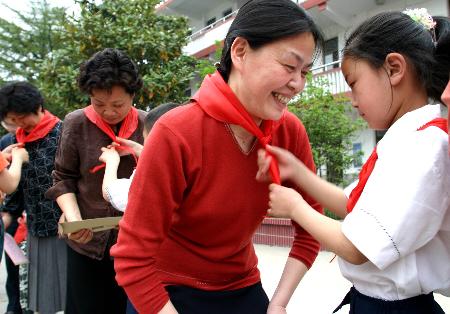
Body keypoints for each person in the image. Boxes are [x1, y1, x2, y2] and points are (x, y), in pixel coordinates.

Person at [111, 1, 324, 313]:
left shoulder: (289, 131)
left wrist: (278, 304)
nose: (298, 84)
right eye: (289, 67)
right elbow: (132, 258)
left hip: (241, 287)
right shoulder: (177, 132)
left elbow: (312, 228)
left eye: (304, 72)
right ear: (239, 52)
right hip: (167, 290)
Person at [256, 10, 450, 314]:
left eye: (354, 82)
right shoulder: (407, 139)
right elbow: (352, 202)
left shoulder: (424, 147)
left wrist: (295, 206)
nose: (353, 99)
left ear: (394, 69)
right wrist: (297, 170)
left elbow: (357, 248)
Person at [46, 48, 146, 314]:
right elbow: (63, 176)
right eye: (98, 104)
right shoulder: (75, 122)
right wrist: (72, 217)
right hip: (86, 245)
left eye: (118, 105)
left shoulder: (148, 125)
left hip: (135, 246)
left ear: (133, 96)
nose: (108, 112)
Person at [99, 102, 179, 314]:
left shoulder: (153, 175)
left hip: (157, 275)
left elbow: (112, 194)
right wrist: (141, 150)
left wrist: (111, 162)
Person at [0, 81, 65, 314]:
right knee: (43, 300)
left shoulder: (64, 132)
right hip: (35, 228)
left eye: (22, 117)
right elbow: (14, 190)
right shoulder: (12, 142)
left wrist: (70, 213)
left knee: (70, 295)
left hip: (66, 226)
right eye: (13, 120)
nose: (18, 124)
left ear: (38, 107)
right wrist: (8, 217)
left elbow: (76, 178)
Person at [100, 103, 180, 213]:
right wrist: (138, 149)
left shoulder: (151, 174)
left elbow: (112, 193)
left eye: (145, 139)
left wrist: (111, 162)